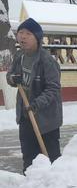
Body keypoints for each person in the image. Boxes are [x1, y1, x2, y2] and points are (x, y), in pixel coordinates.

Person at [6, 18, 62, 172]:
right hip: (25, 116)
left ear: (37, 38)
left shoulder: (47, 61)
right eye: (20, 33)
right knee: (29, 157)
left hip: (46, 120)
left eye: (28, 34)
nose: (22, 37)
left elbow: (53, 88)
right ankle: (30, 186)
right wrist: (12, 78)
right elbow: (10, 76)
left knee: (50, 158)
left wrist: (37, 104)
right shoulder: (19, 56)